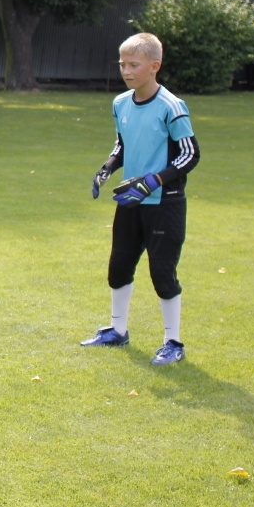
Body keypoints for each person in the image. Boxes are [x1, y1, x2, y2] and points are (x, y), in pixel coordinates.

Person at [83, 32, 199, 365]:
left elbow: (190, 155)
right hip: (130, 202)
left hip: (165, 204)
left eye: (134, 64)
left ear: (154, 66)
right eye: (122, 63)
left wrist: (153, 181)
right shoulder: (120, 103)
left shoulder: (172, 107)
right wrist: (106, 168)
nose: (126, 70)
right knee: (118, 268)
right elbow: (122, 144)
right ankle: (118, 332)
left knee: (163, 274)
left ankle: (173, 343)